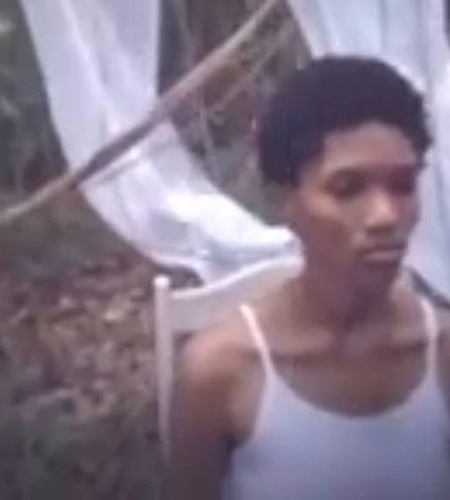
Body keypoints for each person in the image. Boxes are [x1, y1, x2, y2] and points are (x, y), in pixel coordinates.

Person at [170, 57, 450, 500]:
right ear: (285, 201)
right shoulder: (221, 371)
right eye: (347, 189)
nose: (385, 216)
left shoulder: (442, 351)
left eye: (402, 185)